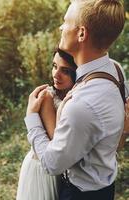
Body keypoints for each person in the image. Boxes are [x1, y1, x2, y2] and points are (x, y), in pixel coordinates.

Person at [24, 0, 129, 200]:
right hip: (106, 187)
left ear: (81, 33)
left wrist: (31, 119)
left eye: (66, 22)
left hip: (79, 194)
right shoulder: (115, 69)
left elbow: (52, 163)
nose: (61, 27)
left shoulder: (81, 105)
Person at [16, 48, 77, 200]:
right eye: (54, 66)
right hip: (42, 170)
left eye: (65, 70)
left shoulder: (76, 95)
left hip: (60, 171)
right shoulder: (47, 97)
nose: (56, 74)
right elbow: (57, 141)